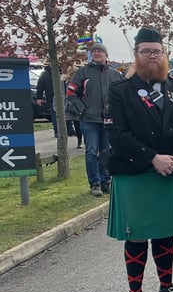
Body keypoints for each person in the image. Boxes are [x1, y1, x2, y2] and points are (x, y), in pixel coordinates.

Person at [105, 27, 173, 292]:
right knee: (136, 236)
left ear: (164, 55)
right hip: (136, 172)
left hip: (170, 171)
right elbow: (116, 133)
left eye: (156, 51)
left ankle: (167, 287)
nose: (151, 56)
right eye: (145, 51)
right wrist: (152, 158)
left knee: (164, 233)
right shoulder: (120, 91)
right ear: (136, 55)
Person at [66, 43, 124, 196]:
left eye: (100, 51)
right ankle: (95, 183)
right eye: (94, 51)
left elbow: (122, 97)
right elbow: (71, 93)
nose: (97, 54)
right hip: (89, 119)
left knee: (106, 152)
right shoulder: (82, 73)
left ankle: (106, 181)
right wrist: (82, 109)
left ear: (106, 55)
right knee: (91, 151)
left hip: (109, 120)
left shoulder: (115, 74)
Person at [61, 65, 83, 148]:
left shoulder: (77, 82)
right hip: (67, 106)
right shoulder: (64, 82)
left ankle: (79, 141)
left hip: (74, 106)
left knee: (77, 125)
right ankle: (64, 143)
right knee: (65, 125)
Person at [35, 65, 57, 136]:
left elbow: (40, 87)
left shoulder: (44, 74)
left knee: (54, 114)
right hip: (59, 97)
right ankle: (67, 130)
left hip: (50, 97)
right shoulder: (60, 72)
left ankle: (57, 131)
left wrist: (39, 98)